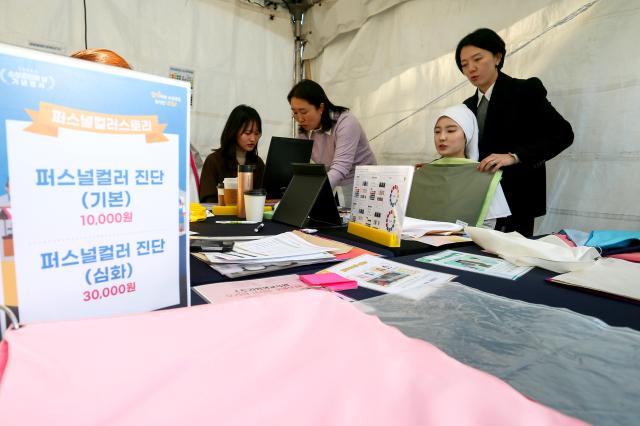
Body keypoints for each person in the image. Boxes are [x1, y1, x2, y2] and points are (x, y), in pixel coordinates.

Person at [455, 28, 574, 237]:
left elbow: (562, 133)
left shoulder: (525, 90)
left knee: (512, 262)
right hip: (478, 200)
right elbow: (466, 151)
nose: (471, 69)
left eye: (477, 59)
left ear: (497, 57)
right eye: (464, 65)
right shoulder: (466, 106)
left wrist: (514, 156)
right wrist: (440, 167)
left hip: (517, 198)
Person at [287, 79, 376, 207]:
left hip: (362, 186)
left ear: (321, 108)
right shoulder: (304, 131)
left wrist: (312, 194)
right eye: (295, 113)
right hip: (333, 184)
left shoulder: (346, 122)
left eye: (304, 112)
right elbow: (301, 166)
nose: (300, 119)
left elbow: (340, 167)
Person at [432, 104, 510, 228]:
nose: (441, 137)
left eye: (451, 131)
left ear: (467, 134)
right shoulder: (426, 172)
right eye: (437, 131)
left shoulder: (484, 175)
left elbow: (487, 225)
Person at [199, 105, 265, 203]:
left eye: (256, 133)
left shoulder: (257, 163)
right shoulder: (214, 161)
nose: (253, 139)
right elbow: (208, 200)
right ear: (234, 131)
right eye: (247, 133)